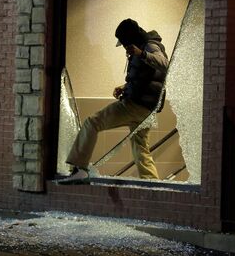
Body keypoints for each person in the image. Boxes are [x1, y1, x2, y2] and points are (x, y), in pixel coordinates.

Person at [59, 18, 168, 182]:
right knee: (140, 146)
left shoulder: (149, 46)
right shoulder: (144, 45)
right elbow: (147, 77)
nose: (124, 47)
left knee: (92, 122)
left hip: (136, 106)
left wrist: (142, 54)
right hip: (147, 108)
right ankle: (151, 182)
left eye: (124, 43)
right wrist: (125, 87)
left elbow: (164, 64)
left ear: (130, 39)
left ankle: (80, 168)